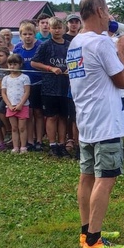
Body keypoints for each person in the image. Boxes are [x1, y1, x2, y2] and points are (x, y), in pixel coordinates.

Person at [67, 0, 124, 248]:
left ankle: (87, 231)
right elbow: (123, 80)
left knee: (87, 177)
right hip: (106, 121)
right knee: (106, 179)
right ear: (98, 10)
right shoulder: (102, 45)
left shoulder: (77, 41)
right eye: (106, 10)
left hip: (87, 121)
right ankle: (94, 241)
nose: (110, 15)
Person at [32, 17, 74, 158]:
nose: (57, 30)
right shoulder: (45, 45)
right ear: (49, 29)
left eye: (59, 27)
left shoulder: (69, 45)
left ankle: (62, 144)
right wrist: (50, 68)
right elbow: (34, 63)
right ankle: (52, 145)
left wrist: (71, 70)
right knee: (51, 117)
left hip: (65, 86)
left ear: (63, 29)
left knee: (63, 117)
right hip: (49, 86)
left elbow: (75, 62)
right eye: (54, 28)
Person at [13, 20, 44, 151]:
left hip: (38, 83)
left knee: (38, 113)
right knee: (28, 113)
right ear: (20, 35)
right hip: (23, 87)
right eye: (24, 34)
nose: (27, 36)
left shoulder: (41, 46)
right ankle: (30, 141)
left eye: (30, 33)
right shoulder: (17, 48)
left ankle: (39, 140)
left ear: (34, 34)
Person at [2, 52, 32, 153]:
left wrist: (20, 104)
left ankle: (23, 146)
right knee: (14, 128)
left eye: (15, 64)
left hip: (22, 106)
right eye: (10, 64)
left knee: (22, 127)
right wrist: (9, 105)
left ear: (20, 64)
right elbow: (4, 93)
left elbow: (27, 92)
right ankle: (15, 147)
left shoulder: (25, 77)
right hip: (10, 107)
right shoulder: (5, 79)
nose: (12, 66)